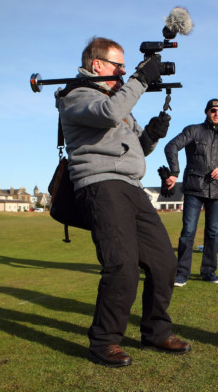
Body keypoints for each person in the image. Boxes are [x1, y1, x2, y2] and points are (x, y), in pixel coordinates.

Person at [55, 36, 191, 368]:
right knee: (122, 265)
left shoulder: (117, 99)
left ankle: (156, 331)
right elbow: (109, 113)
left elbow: (138, 148)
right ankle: (104, 341)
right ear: (96, 65)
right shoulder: (76, 96)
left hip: (132, 188)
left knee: (163, 262)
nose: (124, 71)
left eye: (127, 67)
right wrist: (141, 78)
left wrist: (153, 135)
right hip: (101, 186)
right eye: (118, 65)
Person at [164, 99, 218, 287]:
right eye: (213, 110)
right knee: (188, 232)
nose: (216, 113)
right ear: (206, 112)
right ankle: (181, 273)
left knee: (213, 232)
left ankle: (209, 271)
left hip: (217, 191)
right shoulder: (193, 130)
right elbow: (171, 146)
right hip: (194, 189)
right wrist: (174, 172)